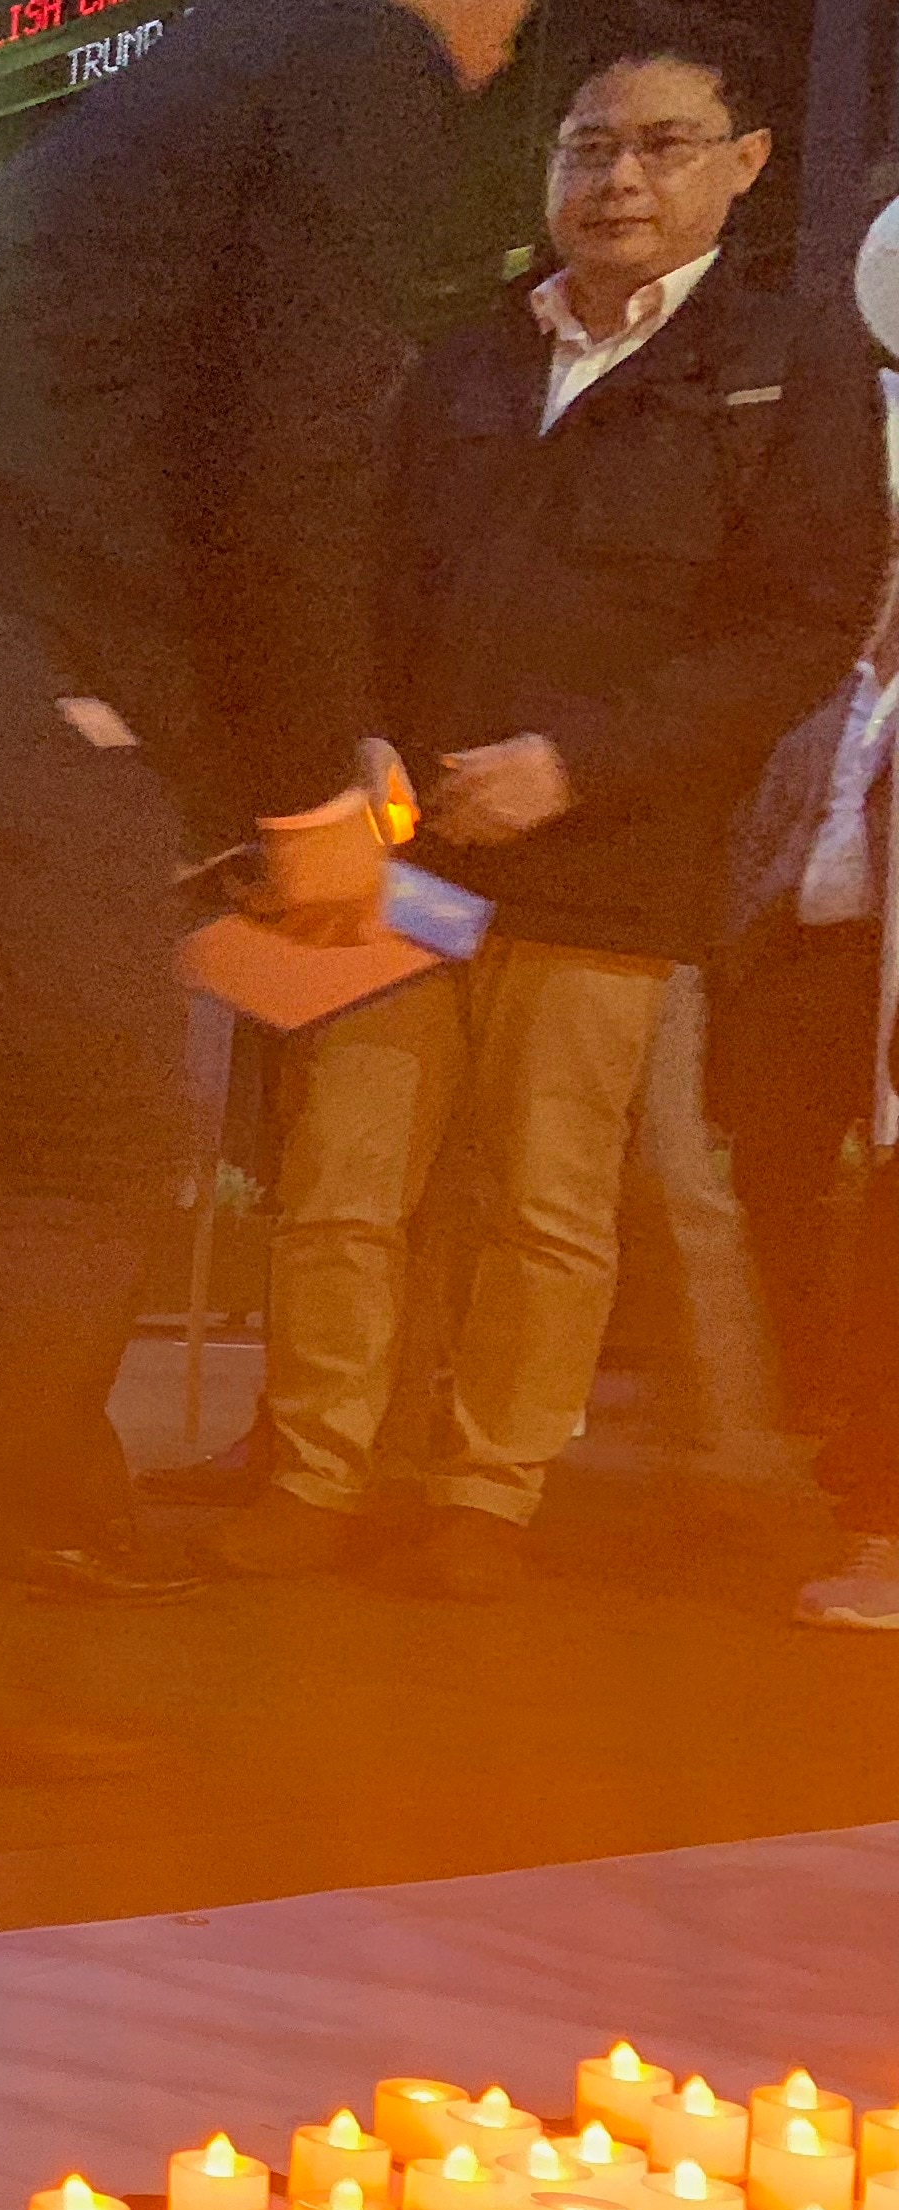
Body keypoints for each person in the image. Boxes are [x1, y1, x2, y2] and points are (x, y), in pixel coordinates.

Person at [0, 0, 536, 1777]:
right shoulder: (359, 69)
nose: (514, 46)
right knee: (74, 1146)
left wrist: (264, 757)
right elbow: (285, 448)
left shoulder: (171, 99)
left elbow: (147, 445)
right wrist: (304, 783)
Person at [221, 13, 880, 1599]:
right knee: (344, 1182)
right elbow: (350, 569)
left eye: (661, 146)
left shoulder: (790, 370)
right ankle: (314, 1473)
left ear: (745, 166)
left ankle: (484, 1497)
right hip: (405, 847)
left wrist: (579, 766)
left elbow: (797, 625)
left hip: (615, 859)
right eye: (589, 146)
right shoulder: (465, 350)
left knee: (548, 1200)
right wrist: (355, 733)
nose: (620, 180)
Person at [714, 578, 899, 1628]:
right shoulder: (821, 686)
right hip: (799, 958)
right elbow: (764, 818)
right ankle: (827, 1395)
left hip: (880, 963)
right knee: (771, 1179)